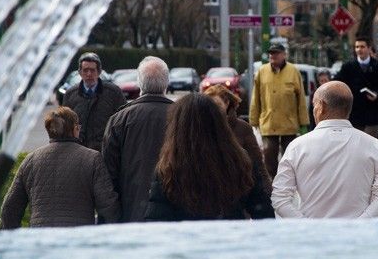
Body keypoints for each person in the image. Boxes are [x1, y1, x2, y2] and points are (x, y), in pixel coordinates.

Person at [271, 81, 378, 218]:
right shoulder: (373, 145)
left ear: (321, 106)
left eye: (314, 104)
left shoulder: (298, 146)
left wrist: (306, 226)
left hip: (313, 234)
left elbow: (280, 198)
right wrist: (360, 223)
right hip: (359, 235)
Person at [144, 93, 274, 221]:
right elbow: (263, 212)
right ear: (219, 123)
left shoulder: (169, 167)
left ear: (177, 127)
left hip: (185, 240)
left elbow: (157, 220)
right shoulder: (239, 160)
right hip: (232, 237)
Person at [0, 106, 120, 228]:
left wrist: (10, 238)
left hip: (40, 238)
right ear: (75, 129)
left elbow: (10, 208)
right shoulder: (92, 158)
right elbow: (108, 206)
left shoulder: (30, 160)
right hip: (79, 236)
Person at [102, 56, 174, 222]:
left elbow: (108, 174)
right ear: (166, 83)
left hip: (131, 212)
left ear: (139, 83)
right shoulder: (183, 117)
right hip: (174, 215)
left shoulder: (119, 119)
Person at [249, 42, 309, 178]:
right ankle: (272, 183)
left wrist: (303, 123)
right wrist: (253, 121)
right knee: (269, 155)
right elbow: (255, 98)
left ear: (284, 55)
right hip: (269, 122)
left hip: (289, 123)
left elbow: (300, 99)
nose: (273, 56)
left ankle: (287, 181)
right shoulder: (262, 72)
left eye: (276, 53)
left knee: (289, 156)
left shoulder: (293, 71)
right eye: (271, 53)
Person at [203, 84, 272, 198]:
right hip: (207, 194)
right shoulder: (200, 127)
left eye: (217, 105)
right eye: (210, 106)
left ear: (227, 103)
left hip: (237, 195)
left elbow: (257, 163)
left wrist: (267, 191)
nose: (213, 110)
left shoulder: (243, 128)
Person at [63, 52, 126, 152]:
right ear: (79, 72)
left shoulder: (113, 93)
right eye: (85, 70)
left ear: (99, 72)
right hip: (79, 152)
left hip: (105, 152)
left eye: (92, 70)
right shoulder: (70, 95)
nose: (89, 74)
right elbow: (65, 125)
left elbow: (123, 122)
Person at [334, 36, 378, 139]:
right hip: (355, 113)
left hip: (373, 113)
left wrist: (377, 95)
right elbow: (339, 83)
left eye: (362, 46)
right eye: (357, 47)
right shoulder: (348, 67)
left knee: (370, 143)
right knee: (355, 143)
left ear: (369, 48)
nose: (359, 49)